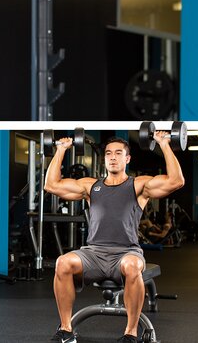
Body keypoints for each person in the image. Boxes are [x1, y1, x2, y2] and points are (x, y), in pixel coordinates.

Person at [44, 133, 185, 343]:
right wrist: (61, 149)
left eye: (118, 153)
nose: (113, 157)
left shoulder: (138, 185)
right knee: (62, 263)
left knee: (131, 266)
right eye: (109, 154)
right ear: (104, 160)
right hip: (94, 254)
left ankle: (131, 332)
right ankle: (66, 330)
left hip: (126, 252)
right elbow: (52, 185)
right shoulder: (91, 186)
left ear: (127, 159)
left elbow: (176, 181)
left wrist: (164, 144)